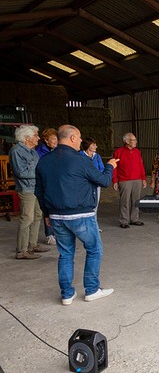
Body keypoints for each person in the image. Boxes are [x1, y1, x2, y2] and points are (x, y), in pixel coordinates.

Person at [35, 125, 118, 305]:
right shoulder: (81, 161)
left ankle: (66, 294)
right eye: (79, 137)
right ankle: (92, 289)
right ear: (72, 138)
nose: (81, 141)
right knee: (94, 249)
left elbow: (39, 191)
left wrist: (47, 214)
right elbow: (103, 181)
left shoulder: (44, 161)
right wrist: (110, 166)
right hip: (82, 215)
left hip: (56, 215)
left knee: (65, 254)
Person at [9, 125, 49, 259]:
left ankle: (32, 244)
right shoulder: (17, 151)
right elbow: (21, 172)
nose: (38, 138)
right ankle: (21, 250)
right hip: (26, 189)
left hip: (36, 187)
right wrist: (39, 173)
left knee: (37, 215)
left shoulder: (32, 151)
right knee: (27, 218)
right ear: (27, 138)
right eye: (36, 135)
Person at [113, 133, 147, 229]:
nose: (136, 141)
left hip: (137, 179)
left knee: (136, 200)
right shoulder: (118, 152)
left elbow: (141, 166)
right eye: (134, 140)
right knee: (125, 201)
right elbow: (114, 167)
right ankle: (124, 220)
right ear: (127, 141)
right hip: (124, 180)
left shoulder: (137, 152)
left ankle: (134, 219)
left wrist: (143, 178)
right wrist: (114, 180)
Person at [35, 128, 58, 245]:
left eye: (56, 138)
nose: (56, 141)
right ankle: (49, 234)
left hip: (55, 182)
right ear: (46, 140)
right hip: (45, 182)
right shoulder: (39, 152)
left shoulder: (57, 150)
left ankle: (57, 232)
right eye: (53, 139)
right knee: (47, 208)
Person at [81, 138, 105, 218]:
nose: (96, 146)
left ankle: (94, 225)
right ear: (88, 145)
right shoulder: (80, 155)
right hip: (84, 184)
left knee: (95, 204)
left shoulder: (97, 156)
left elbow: (101, 168)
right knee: (84, 204)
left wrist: (99, 178)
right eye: (94, 144)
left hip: (96, 183)